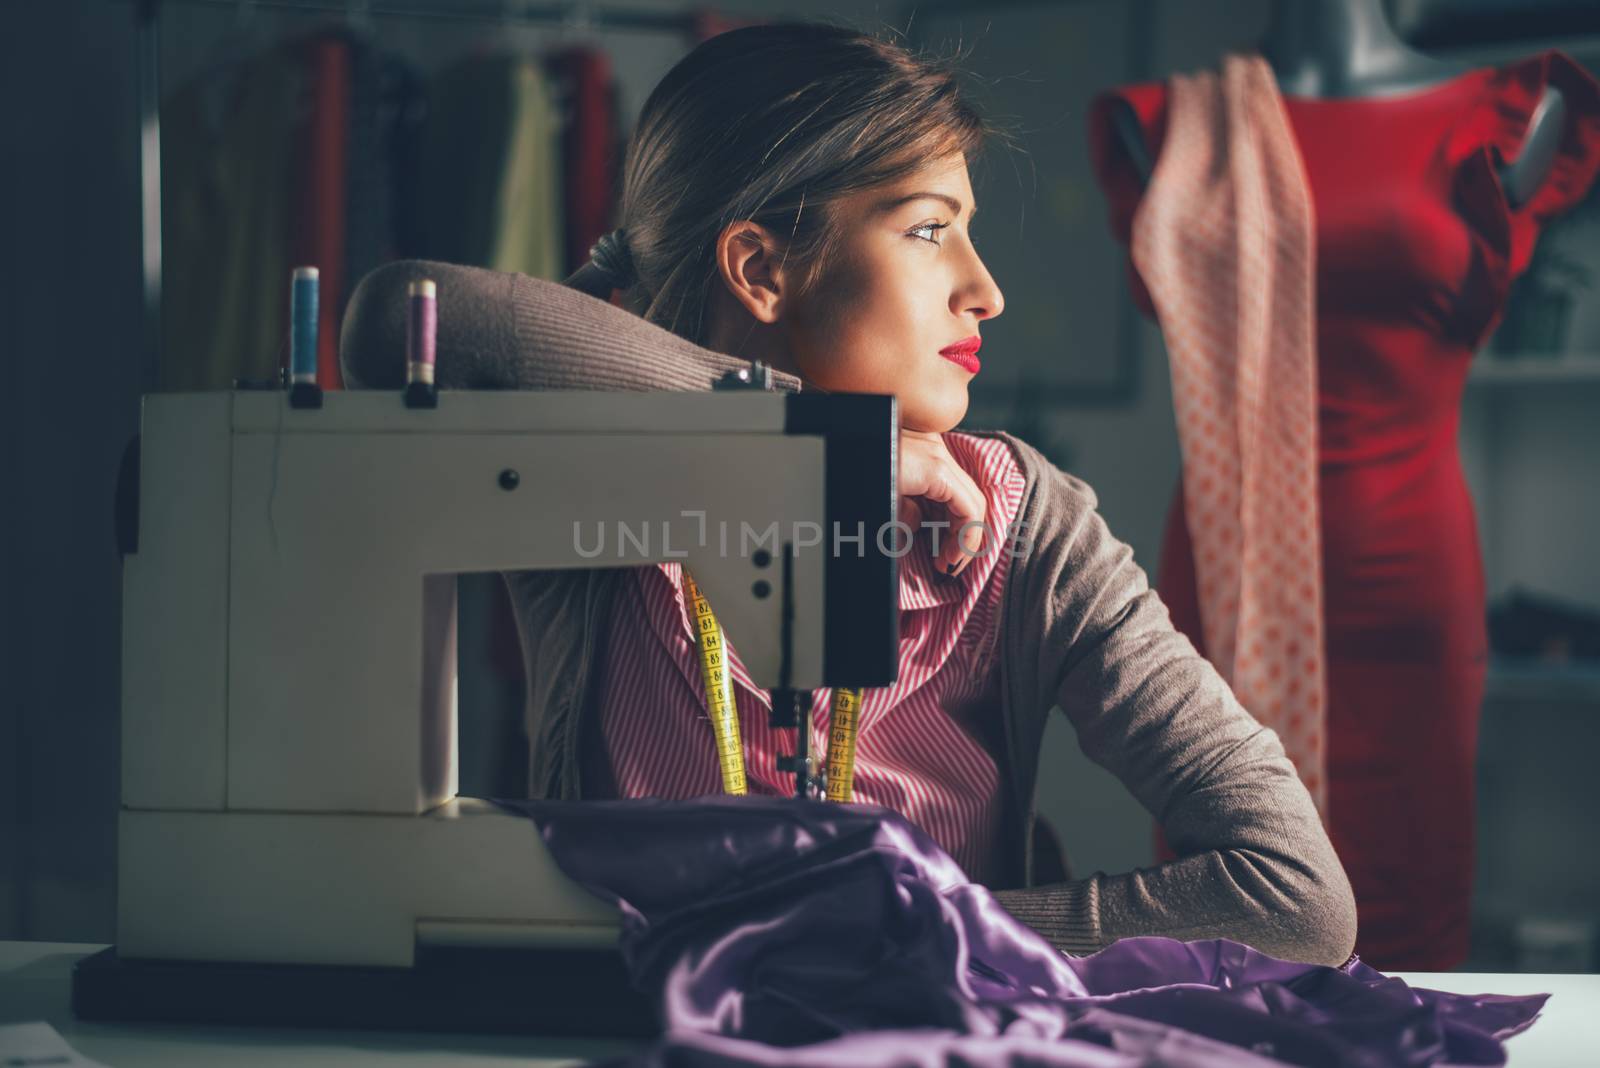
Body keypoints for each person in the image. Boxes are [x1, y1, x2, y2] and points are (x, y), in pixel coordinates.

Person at [341, 21, 1357, 966]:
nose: (984, 288)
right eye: (927, 230)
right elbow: (404, 320)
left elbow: (1297, 897)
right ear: (761, 269)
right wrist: (809, 447)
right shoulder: (580, 480)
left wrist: (907, 930)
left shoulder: (1023, 525)